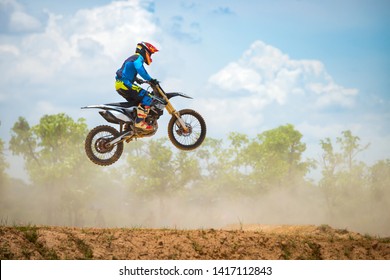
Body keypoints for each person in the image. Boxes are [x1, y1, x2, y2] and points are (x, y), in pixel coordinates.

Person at [115, 41, 159, 131]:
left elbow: (125, 70)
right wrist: (150, 79)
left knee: (137, 103)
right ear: (144, 50)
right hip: (125, 84)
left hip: (120, 84)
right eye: (150, 53)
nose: (150, 56)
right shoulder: (138, 57)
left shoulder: (132, 58)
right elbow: (140, 69)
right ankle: (139, 122)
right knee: (148, 97)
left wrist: (136, 79)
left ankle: (129, 125)